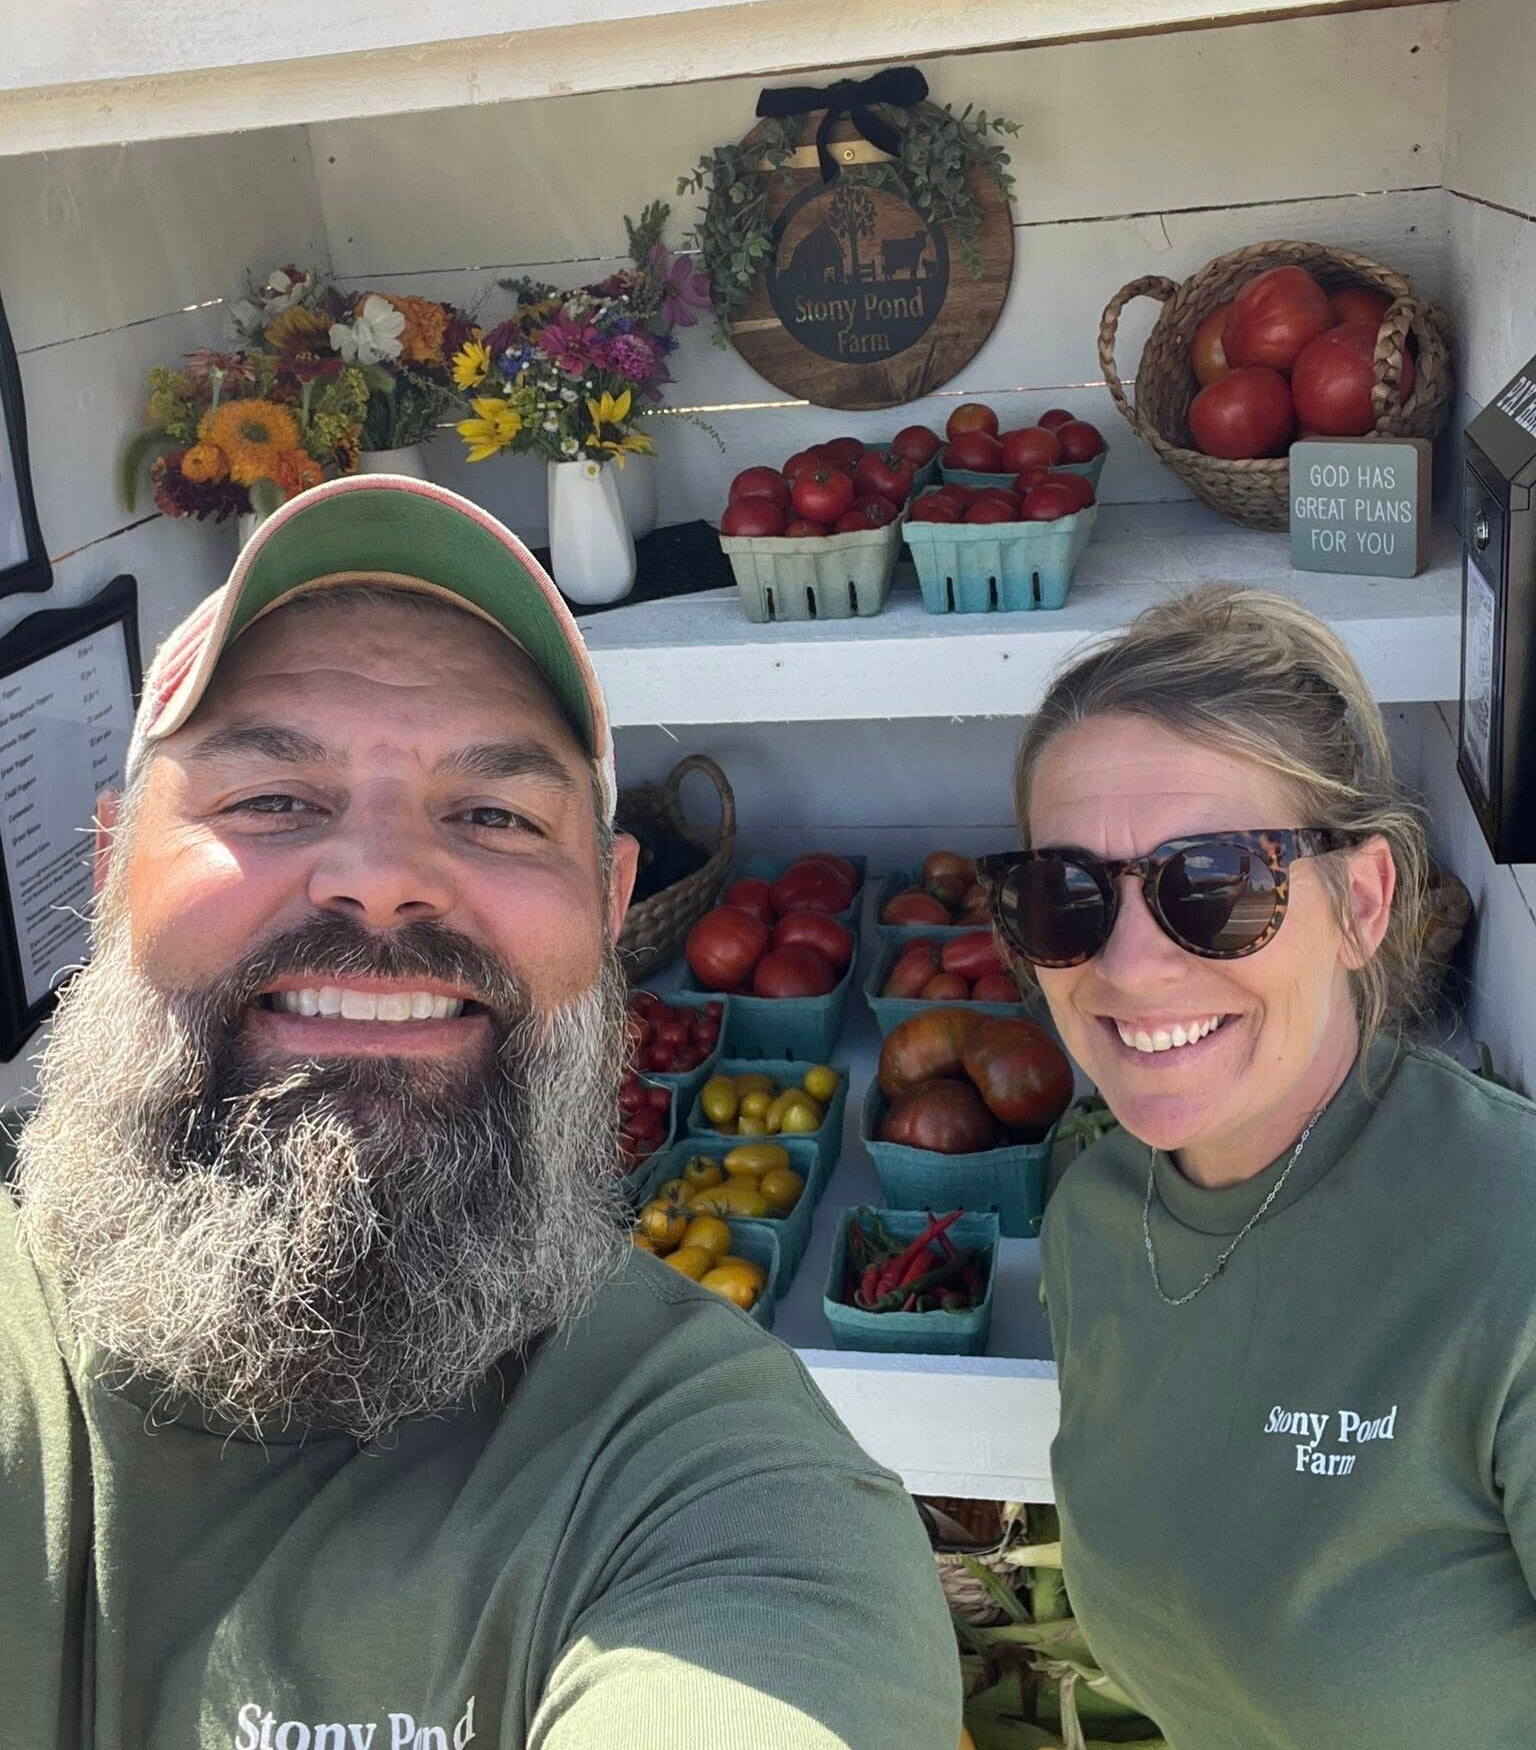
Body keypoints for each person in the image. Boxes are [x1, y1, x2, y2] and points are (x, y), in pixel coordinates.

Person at [1, 475, 958, 1750]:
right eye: (271, 797)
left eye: (496, 814)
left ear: (610, 904)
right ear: (114, 864)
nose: (382, 879)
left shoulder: (717, 1485)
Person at [978, 585, 1536, 1750]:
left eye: (1218, 882)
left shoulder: (1512, 1254)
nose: (1129, 967)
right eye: (1066, 894)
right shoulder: (1094, 1220)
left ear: (1361, 903)